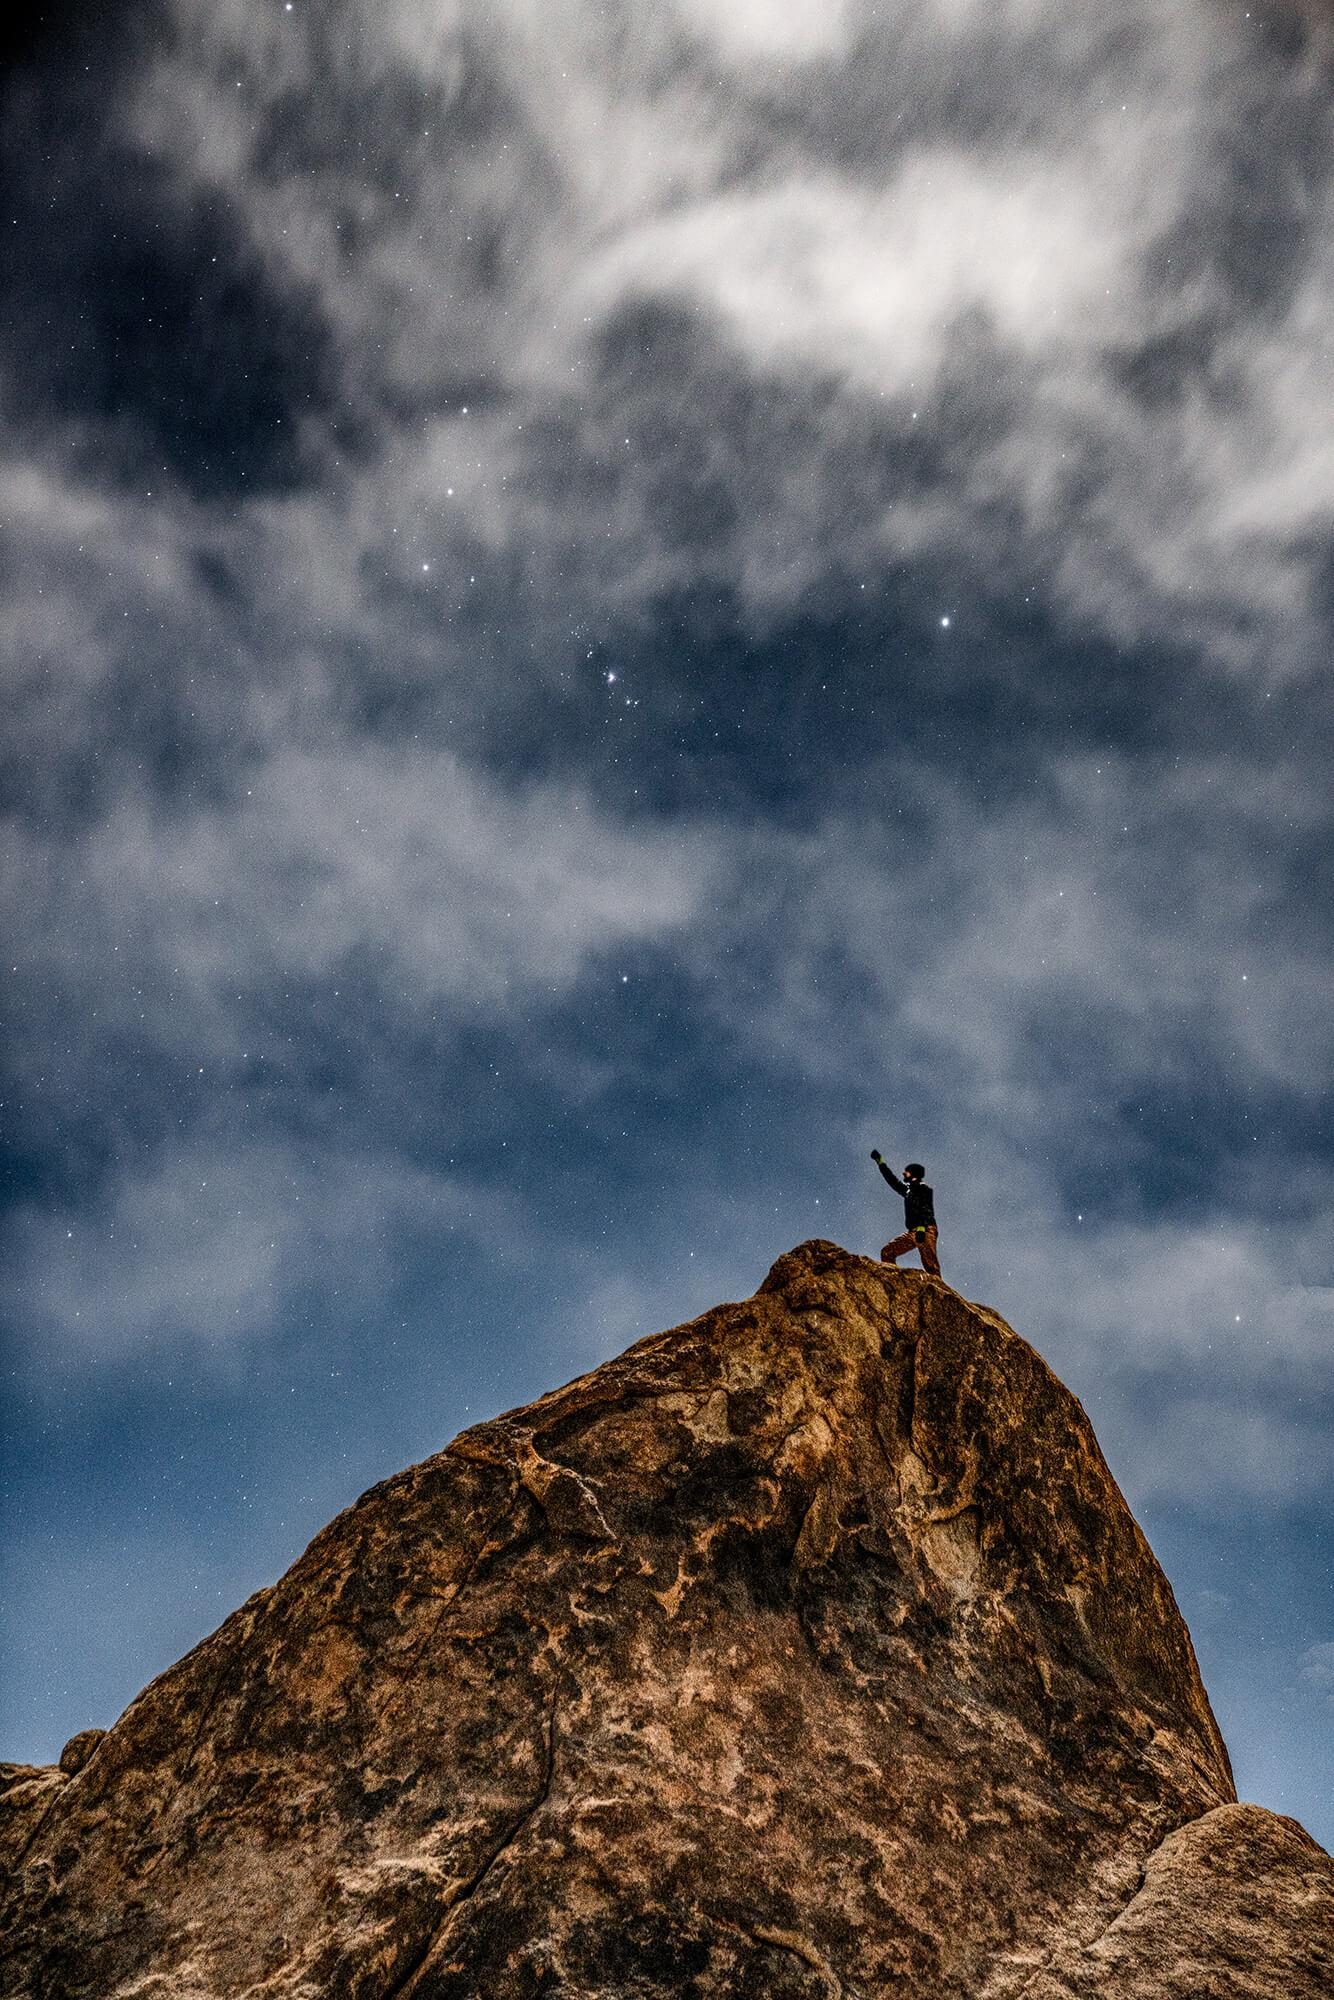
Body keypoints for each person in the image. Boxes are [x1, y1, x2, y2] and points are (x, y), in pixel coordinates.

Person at [870, 1149, 942, 1276]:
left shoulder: (924, 1188)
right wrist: (880, 1163)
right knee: (887, 1252)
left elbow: (926, 1208)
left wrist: (921, 1227)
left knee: (931, 1266)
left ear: (914, 1174)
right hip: (914, 1231)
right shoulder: (908, 1191)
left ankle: (941, 1294)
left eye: (907, 1172)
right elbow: (893, 1181)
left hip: (926, 1229)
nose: (904, 1173)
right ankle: (894, 1283)